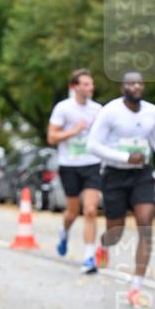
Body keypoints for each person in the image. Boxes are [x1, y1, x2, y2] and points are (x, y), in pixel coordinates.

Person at [87, 71, 155, 307]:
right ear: (122, 87)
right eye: (131, 83)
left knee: (145, 223)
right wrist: (124, 157)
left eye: (140, 83)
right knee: (116, 232)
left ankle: (136, 287)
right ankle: (103, 246)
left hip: (142, 173)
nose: (136, 86)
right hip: (114, 174)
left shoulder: (153, 112)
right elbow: (93, 145)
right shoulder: (110, 112)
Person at [47, 69, 103, 273]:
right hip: (69, 164)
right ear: (75, 87)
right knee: (72, 211)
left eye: (91, 84)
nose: (90, 88)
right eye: (86, 84)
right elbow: (51, 137)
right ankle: (64, 231)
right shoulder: (63, 108)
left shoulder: (98, 110)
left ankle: (89, 256)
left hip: (92, 164)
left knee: (90, 210)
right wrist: (74, 131)